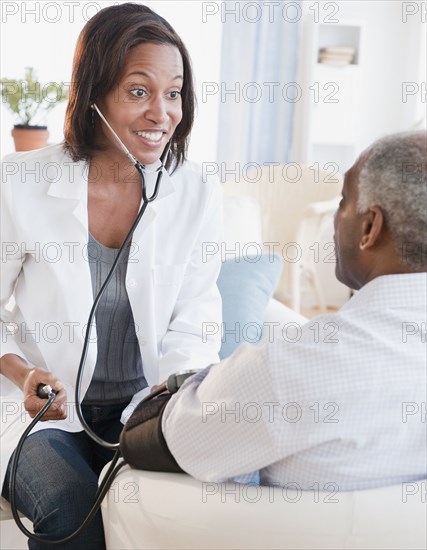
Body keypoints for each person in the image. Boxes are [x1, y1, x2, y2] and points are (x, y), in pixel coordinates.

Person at [0, 3, 222, 549]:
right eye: (138, 91)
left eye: (174, 93)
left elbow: (195, 321)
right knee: (69, 507)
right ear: (95, 93)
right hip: (43, 417)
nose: (161, 113)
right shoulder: (20, 183)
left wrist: (165, 404)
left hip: (145, 413)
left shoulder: (194, 190)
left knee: (192, 510)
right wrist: (24, 374)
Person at [157, 131, 427, 491]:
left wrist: (183, 389)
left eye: (344, 201)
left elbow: (170, 437)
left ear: (369, 228)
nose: (335, 218)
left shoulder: (293, 365)